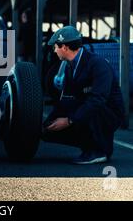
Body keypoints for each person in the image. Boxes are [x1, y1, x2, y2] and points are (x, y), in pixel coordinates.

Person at [41, 26, 125, 164]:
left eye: (55, 47)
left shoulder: (98, 64)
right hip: (88, 106)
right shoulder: (69, 66)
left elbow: (98, 99)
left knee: (93, 104)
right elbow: (67, 98)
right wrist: (47, 124)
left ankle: (100, 150)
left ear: (64, 48)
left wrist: (68, 121)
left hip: (108, 112)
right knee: (48, 132)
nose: (54, 51)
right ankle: (88, 147)